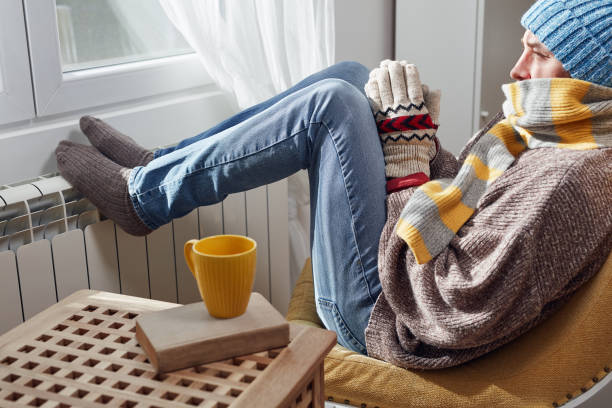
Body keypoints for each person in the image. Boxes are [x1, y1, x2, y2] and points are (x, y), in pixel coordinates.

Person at [56, 0, 611, 369]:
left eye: (538, 54)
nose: (516, 70)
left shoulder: (572, 178)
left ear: (594, 77)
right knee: (350, 76)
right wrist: (423, 144)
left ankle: (145, 197)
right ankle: (160, 166)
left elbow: (451, 305)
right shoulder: (551, 134)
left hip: (390, 320)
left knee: (334, 105)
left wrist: (407, 164)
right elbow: (469, 212)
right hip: (404, 287)